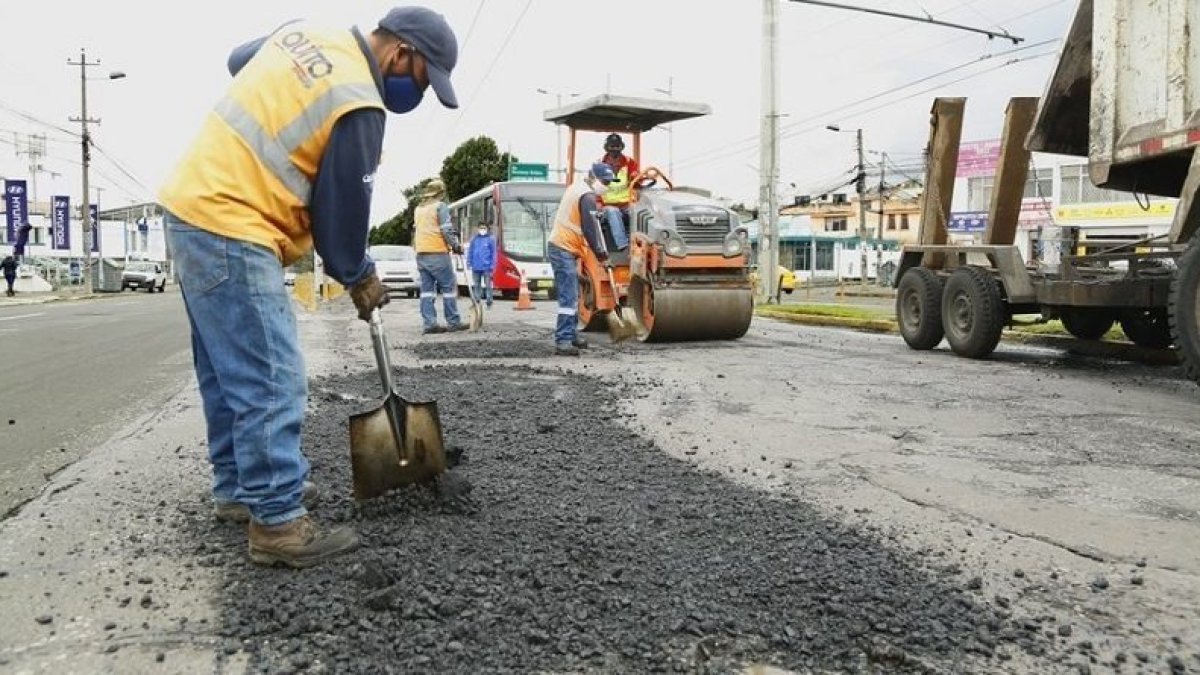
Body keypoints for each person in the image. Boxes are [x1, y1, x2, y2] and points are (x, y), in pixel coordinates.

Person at [156, 7, 460, 568]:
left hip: (190, 205)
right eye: (423, 80)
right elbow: (340, 222)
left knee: (228, 372)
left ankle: (239, 491)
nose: (416, 93)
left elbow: (238, 60)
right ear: (402, 56)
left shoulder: (308, 32)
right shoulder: (359, 101)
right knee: (271, 377)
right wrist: (360, 275)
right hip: (234, 221)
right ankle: (276, 522)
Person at [547, 163, 615, 356]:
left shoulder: (578, 189)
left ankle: (571, 334)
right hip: (563, 248)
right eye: (605, 182)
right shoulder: (587, 196)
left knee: (574, 293)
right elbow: (590, 230)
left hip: (566, 248)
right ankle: (563, 341)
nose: (607, 186)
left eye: (609, 182)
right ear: (593, 178)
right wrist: (602, 256)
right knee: (568, 296)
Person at [413, 177, 465, 334]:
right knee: (448, 288)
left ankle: (429, 324)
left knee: (427, 290)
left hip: (421, 253)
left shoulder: (419, 209)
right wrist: (456, 245)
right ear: (440, 192)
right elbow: (446, 229)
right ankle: (453, 321)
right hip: (437, 252)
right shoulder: (440, 207)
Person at [597, 133, 638, 252]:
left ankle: (640, 243)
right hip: (606, 206)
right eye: (612, 147)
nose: (615, 150)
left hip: (626, 204)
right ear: (607, 149)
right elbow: (595, 188)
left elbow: (636, 181)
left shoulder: (630, 163)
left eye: (617, 147)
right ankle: (623, 246)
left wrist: (638, 178)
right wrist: (598, 203)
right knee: (613, 212)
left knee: (638, 212)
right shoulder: (599, 165)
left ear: (621, 148)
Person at [466, 221, 497, 308]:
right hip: (476, 267)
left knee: (488, 285)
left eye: (484, 228)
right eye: (481, 228)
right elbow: (470, 251)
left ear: (487, 229)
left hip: (487, 267)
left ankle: (489, 302)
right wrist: (469, 262)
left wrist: (492, 265)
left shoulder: (491, 239)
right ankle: (477, 301)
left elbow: (494, 253)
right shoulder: (474, 239)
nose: (482, 229)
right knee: (476, 285)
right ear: (478, 229)